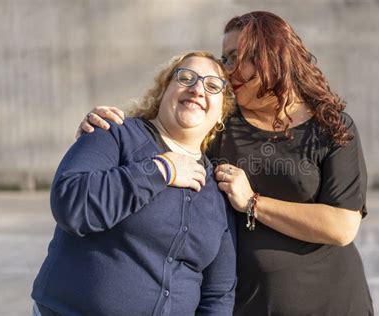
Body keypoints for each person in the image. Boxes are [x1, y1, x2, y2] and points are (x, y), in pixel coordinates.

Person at [78, 11, 374, 315]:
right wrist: (108, 127)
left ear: (271, 56)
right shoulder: (219, 123)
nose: (227, 69)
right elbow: (159, 132)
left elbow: (342, 226)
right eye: (224, 58)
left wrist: (252, 202)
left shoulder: (330, 127)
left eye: (235, 57)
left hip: (332, 301)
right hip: (244, 304)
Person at [31, 51, 237, 316]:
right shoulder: (114, 133)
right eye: (186, 78)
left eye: (212, 86)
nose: (197, 89)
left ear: (222, 114)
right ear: (164, 90)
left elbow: (218, 293)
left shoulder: (216, 189)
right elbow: (71, 204)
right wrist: (161, 169)